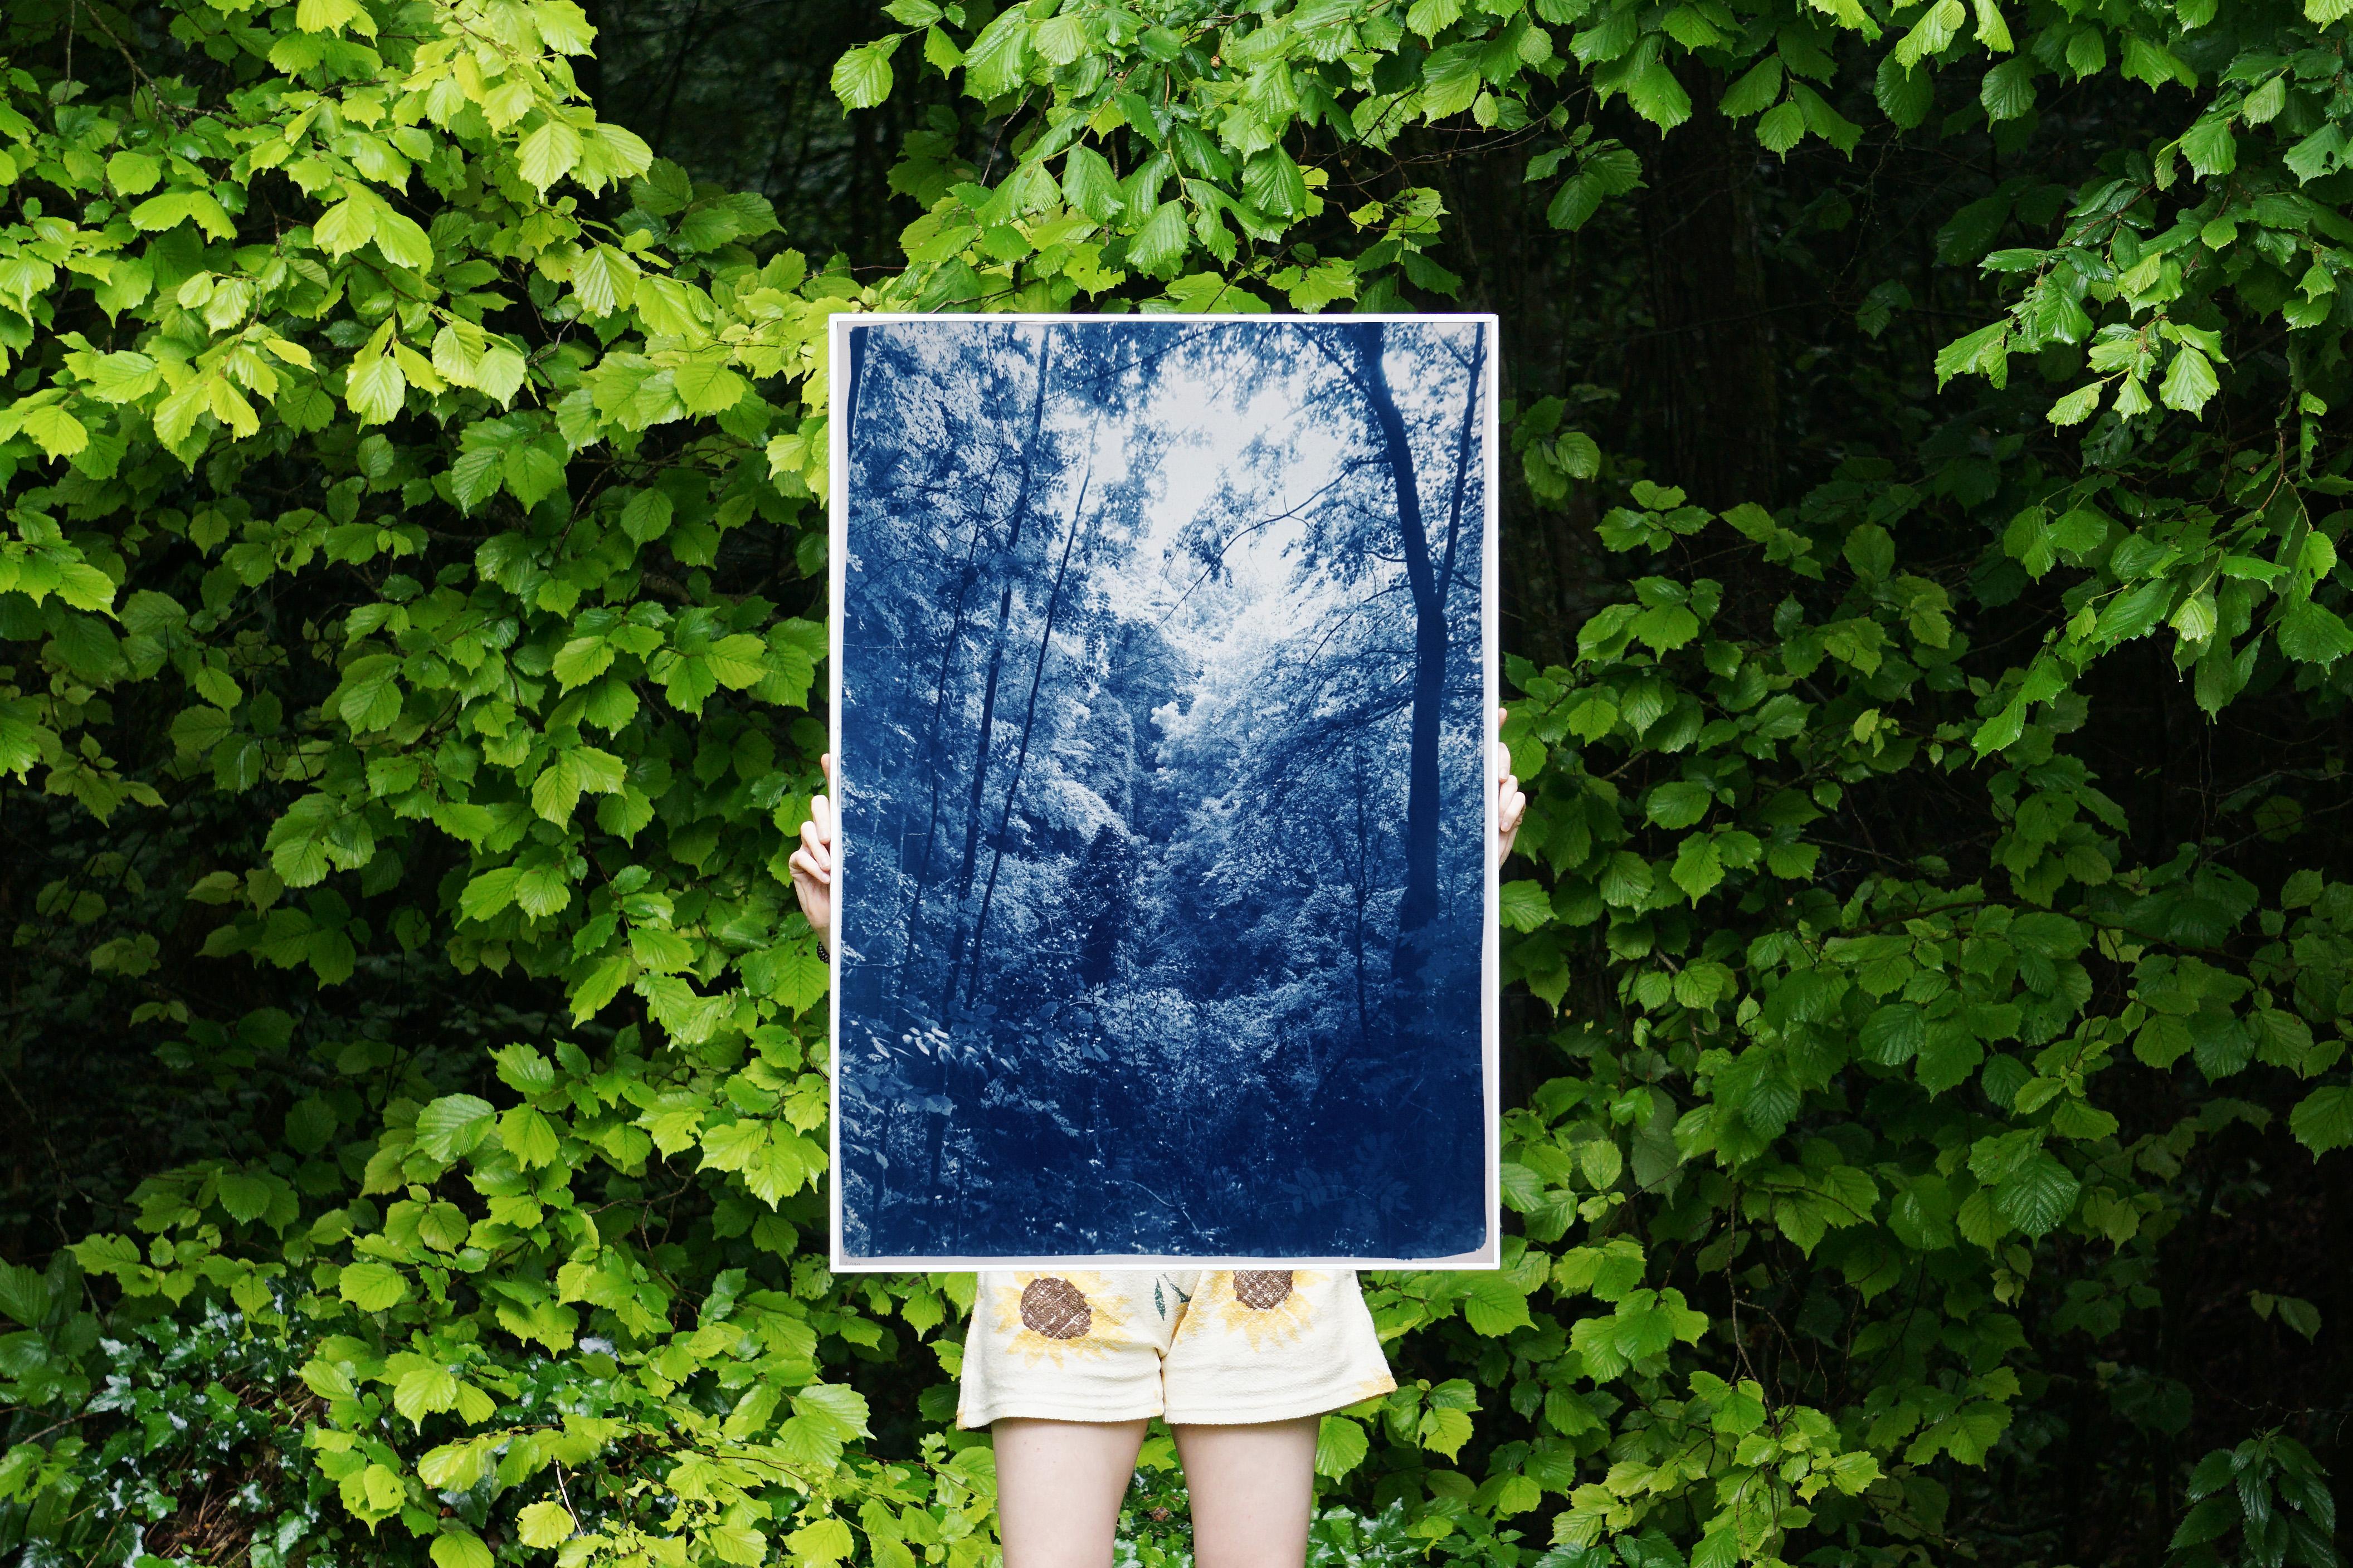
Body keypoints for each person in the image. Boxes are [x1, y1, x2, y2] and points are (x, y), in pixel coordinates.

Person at [788, 709, 1528, 1568]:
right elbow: (975, 1052)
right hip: (1057, 1255)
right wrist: (860, 951)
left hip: (1271, 1250)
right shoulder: (1067, 886)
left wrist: (1462, 881)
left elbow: (1394, 1029)